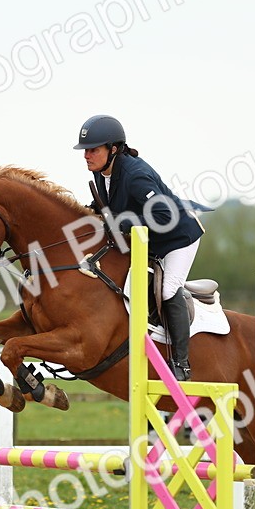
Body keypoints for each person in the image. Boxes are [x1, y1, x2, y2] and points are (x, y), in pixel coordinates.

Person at [74, 114, 204, 380]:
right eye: (85, 150)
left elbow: (164, 217)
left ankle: (182, 363)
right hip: (150, 240)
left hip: (179, 238)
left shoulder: (135, 176)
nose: (86, 155)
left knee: (168, 290)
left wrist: (122, 224)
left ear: (113, 149)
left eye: (92, 150)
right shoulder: (102, 173)